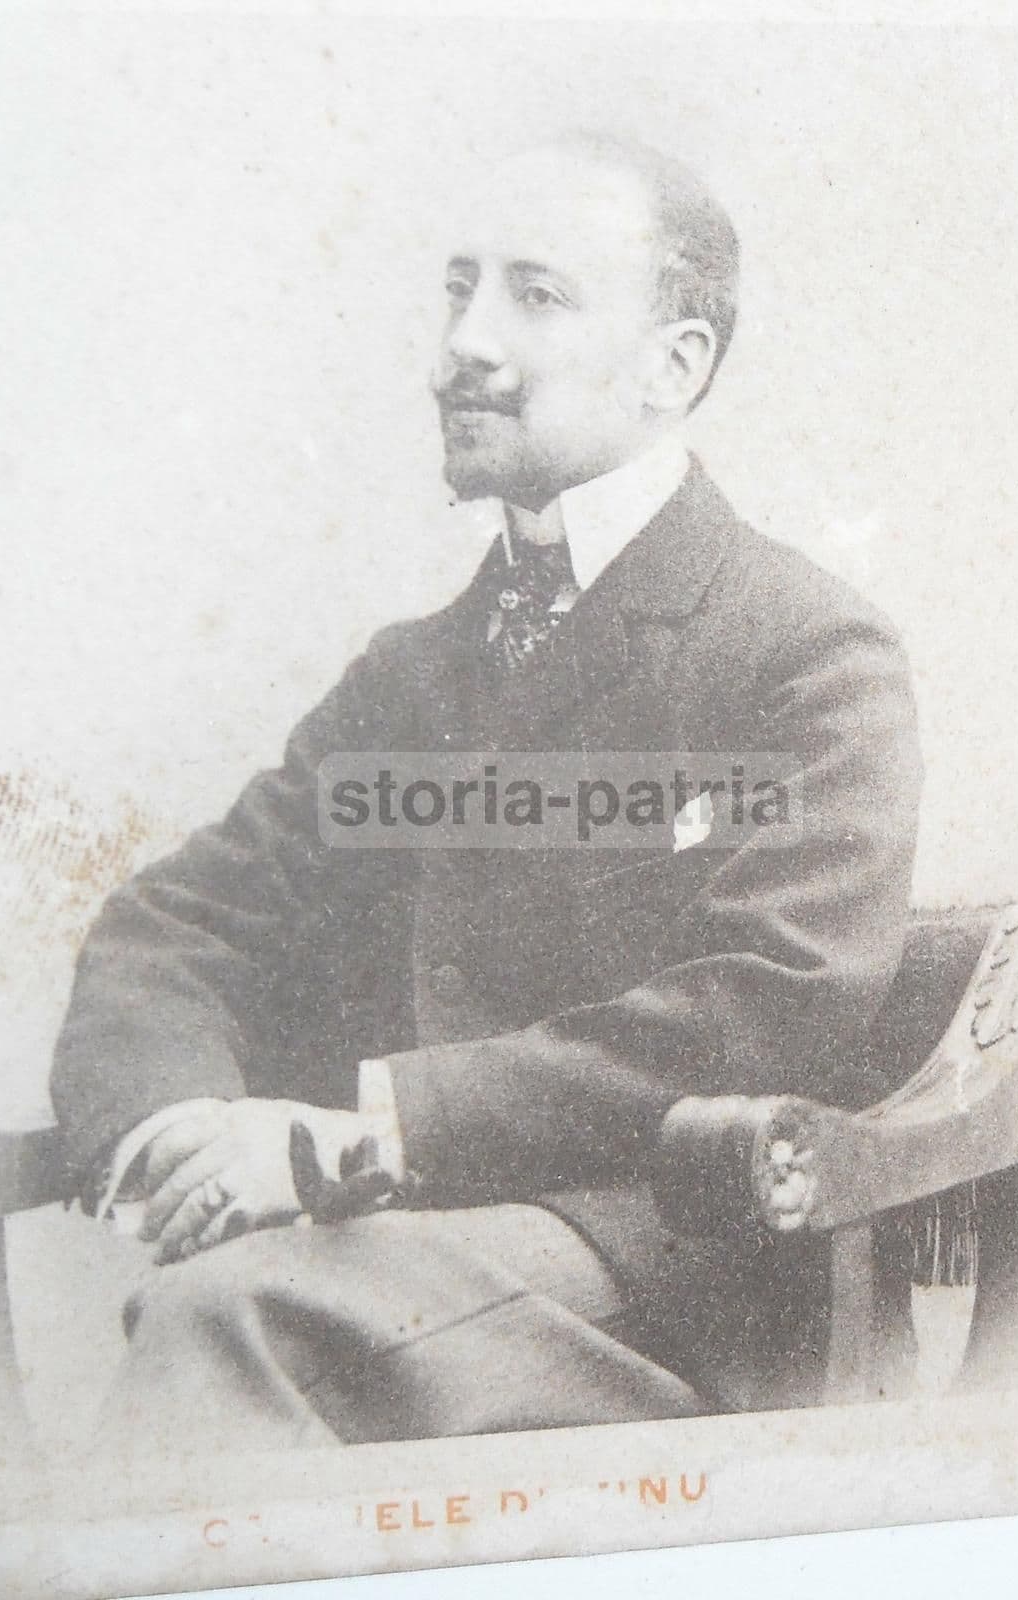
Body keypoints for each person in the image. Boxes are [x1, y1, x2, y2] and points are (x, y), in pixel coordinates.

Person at [51, 131, 923, 1450]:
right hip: (403, 1263)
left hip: (669, 1288)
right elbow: (178, 922)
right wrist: (174, 1129)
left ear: (674, 365)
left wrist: (359, 1134)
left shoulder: (802, 654)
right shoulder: (414, 676)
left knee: (236, 1314)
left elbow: (772, 1007)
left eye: (536, 295)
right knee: (237, 1302)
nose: (463, 343)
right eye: (458, 290)